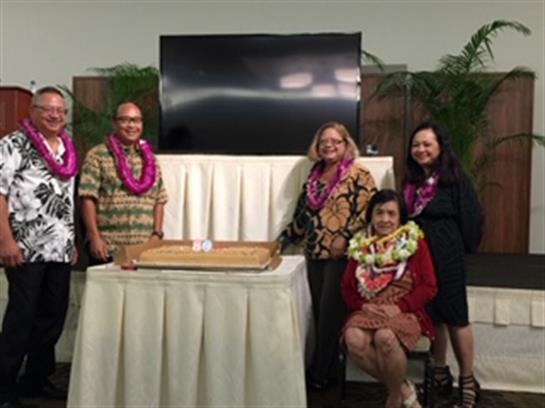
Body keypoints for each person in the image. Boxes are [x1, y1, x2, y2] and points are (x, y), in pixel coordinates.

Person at [278, 121, 376, 390]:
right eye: (323, 142)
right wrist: (283, 238)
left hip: (341, 255)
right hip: (313, 252)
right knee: (317, 312)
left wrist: (344, 236)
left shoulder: (359, 174)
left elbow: (368, 212)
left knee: (331, 314)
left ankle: (324, 374)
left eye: (335, 141)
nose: (329, 146)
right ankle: (321, 367)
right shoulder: (313, 174)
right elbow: (302, 214)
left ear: (346, 145)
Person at [0, 86, 78, 408]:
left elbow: (65, 200)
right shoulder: (12, 144)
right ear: (33, 111)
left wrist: (71, 242)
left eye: (61, 110)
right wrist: (5, 240)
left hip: (59, 249)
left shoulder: (67, 148)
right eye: (48, 109)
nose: (55, 115)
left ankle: (37, 379)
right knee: (22, 319)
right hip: (24, 248)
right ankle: (4, 389)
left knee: (52, 318)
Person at [403, 122, 483, 408]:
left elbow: (472, 217)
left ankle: (468, 378)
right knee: (432, 315)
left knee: (455, 316)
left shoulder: (454, 178)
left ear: (440, 147)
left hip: (447, 254)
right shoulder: (410, 183)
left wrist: (461, 250)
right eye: (416, 145)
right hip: (420, 257)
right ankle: (439, 371)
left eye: (427, 144)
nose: (420, 150)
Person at [341, 189, 437, 408]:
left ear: (400, 218)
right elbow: (346, 288)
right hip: (369, 309)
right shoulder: (361, 245)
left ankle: (393, 399)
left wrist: (400, 307)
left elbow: (430, 286)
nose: (385, 219)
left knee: (385, 337)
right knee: (354, 339)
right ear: (371, 216)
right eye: (380, 213)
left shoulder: (415, 243)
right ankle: (403, 390)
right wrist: (363, 305)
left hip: (404, 311)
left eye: (391, 214)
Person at [79, 102, 168, 265]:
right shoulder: (97, 155)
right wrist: (94, 237)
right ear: (114, 123)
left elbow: (159, 199)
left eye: (136, 120)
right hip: (108, 248)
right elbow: (87, 198)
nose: (132, 125)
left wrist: (157, 234)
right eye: (125, 120)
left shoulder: (151, 159)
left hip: (144, 250)